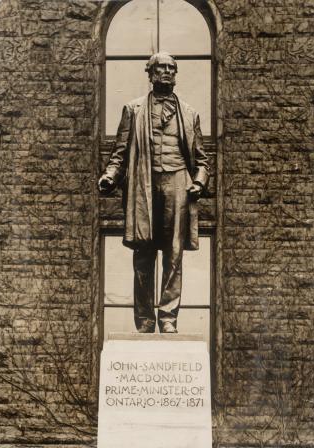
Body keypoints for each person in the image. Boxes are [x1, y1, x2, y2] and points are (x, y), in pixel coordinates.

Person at [98, 52, 209, 333]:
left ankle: (169, 318)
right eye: (161, 67)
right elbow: (119, 154)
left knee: (174, 255)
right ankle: (145, 320)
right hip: (144, 184)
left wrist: (199, 181)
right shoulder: (133, 109)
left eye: (172, 68)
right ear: (150, 73)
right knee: (144, 254)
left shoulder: (189, 113)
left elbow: (202, 160)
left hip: (178, 184)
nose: (167, 72)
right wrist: (110, 176)